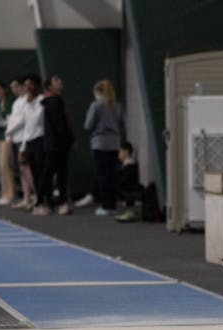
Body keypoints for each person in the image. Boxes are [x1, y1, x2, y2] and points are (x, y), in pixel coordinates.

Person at [35, 75, 75, 216]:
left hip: (57, 144)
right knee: (49, 174)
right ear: (50, 87)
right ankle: (39, 203)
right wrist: (69, 139)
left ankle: (61, 203)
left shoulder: (53, 101)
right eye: (57, 81)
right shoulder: (53, 101)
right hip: (56, 145)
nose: (60, 82)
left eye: (60, 79)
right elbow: (60, 125)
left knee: (60, 174)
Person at [84, 79, 125, 216]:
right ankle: (112, 205)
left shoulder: (96, 105)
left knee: (102, 175)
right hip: (114, 143)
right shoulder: (117, 106)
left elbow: (88, 125)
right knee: (112, 174)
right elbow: (121, 124)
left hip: (100, 142)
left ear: (98, 92)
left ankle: (105, 205)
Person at [14, 75, 45, 210]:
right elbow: (26, 125)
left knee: (41, 171)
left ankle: (44, 200)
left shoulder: (41, 100)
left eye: (29, 85)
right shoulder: (27, 102)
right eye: (25, 86)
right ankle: (38, 200)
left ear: (35, 86)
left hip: (40, 140)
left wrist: (30, 103)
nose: (27, 88)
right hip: (29, 141)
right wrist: (23, 147)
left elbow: (37, 120)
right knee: (33, 172)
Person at [5, 77, 35, 209]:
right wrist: (9, 134)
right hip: (16, 140)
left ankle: (39, 197)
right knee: (22, 171)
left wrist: (9, 130)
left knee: (27, 169)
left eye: (16, 86)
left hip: (25, 140)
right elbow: (12, 119)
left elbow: (22, 120)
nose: (14, 90)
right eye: (12, 88)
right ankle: (26, 198)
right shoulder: (16, 102)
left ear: (23, 87)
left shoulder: (28, 101)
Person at [114, 141, 144, 222]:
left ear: (126, 152)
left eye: (120, 151)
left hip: (129, 191)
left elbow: (123, 182)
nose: (118, 154)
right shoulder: (128, 165)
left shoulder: (129, 166)